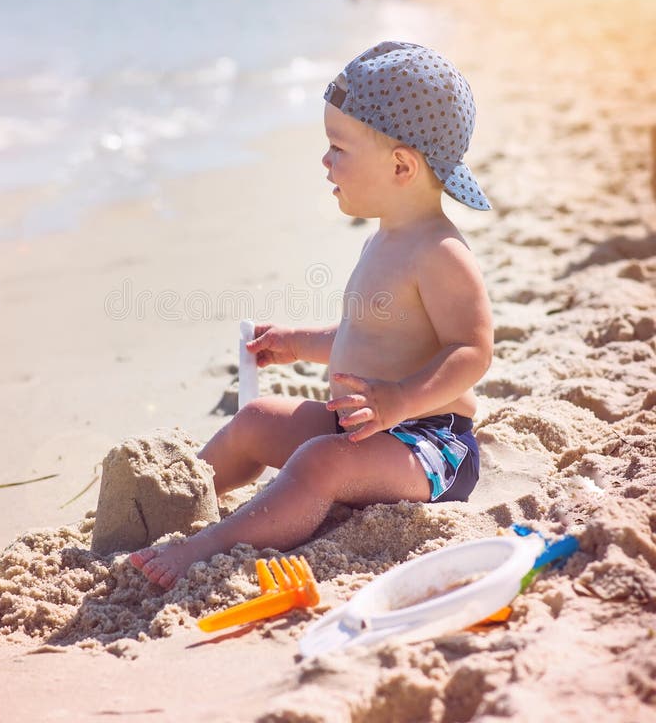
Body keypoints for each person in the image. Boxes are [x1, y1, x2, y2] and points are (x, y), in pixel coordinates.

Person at [130, 41, 494, 589]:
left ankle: (209, 546)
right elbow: (373, 336)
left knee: (319, 464)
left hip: (430, 444)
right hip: (366, 422)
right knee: (256, 420)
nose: (326, 161)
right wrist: (299, 343)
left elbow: (472, 351)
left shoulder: (440, 253)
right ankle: (181, 502)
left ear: (401, 165)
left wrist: (401, 401)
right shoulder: (386, 238)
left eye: (338, 148)